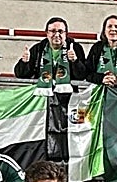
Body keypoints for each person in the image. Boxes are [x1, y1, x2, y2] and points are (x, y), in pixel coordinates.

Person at [14, 16, 87, 163]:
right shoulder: (39, 48)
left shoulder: (75, 48)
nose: (57, 35)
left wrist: (74, 61)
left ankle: (69, 169)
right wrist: (25, 62)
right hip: (43, 102)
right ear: (46, 33)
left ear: (66, 33)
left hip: (69, 101)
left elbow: (82, 75)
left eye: (61, 31)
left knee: (70, 135)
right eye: (53, 31)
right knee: (44, 135)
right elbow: (21, 74)